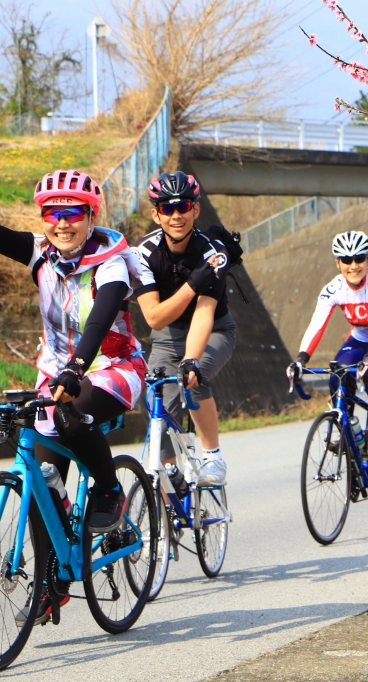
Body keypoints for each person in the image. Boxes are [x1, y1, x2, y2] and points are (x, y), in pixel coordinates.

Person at [0, 152, 147, 624]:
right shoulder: (39, 252)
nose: (61, 224)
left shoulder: (112, 260)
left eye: (73, 213)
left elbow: (102, 316)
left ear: (90, 216)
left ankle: (108, 491)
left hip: (111, 367)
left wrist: (76, 368)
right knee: (41, 476)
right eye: (52, 214)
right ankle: (51, 583)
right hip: (54, 374)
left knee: (68, 413)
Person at [288, 231, 368, 515]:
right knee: (336, 375)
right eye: (346, 260)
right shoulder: (333, 289)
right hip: (358, 340)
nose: (353, 265)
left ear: (367, 260)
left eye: (359, 259)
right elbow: (317, 324)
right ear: (337, 263)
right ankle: (348, 428)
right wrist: (300, 359)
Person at [133, 172, 237, 487]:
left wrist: (191, 359)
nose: (176, 216)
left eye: (183, 207)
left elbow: (204, 314)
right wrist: (193, 284)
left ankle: (212, 456)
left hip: (214, 331)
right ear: (155, 213)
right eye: (167, 209)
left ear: (196, 209)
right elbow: (154, 318)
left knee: (194, 377)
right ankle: (172, 475)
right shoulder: (143, 253)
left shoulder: (213, 253)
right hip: (166, 337)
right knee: (154, 406)